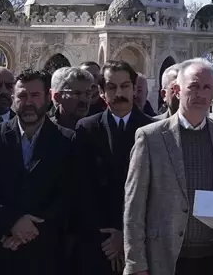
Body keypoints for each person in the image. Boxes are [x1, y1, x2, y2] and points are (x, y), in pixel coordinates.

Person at [123, 58, 213, 275]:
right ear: (177, 90)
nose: (200, 94)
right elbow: (134, 205)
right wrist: (135, 263)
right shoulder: (150, 137)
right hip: (165, 259)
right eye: (193, 86)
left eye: (206, 87)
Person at [0, 68, 83, 275]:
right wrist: (11, 223)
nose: (29, 102)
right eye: (22, 96)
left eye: (35, 95)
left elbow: (70, 194)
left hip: (46, 253)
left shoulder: (67, 140)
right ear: (14, 99)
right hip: (0, 249)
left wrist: (30, 230)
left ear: (48, 98)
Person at [76, 61, 158, 275]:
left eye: (125, 86)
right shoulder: (87, 129)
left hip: (141, 245)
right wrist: (109, 237)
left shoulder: (154, 131)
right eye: (112, 87)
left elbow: (157, 192)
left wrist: (125, 235)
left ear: (134, 89)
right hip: (98, 243)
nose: (119, 93)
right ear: (102, 92)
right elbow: (82, 188)